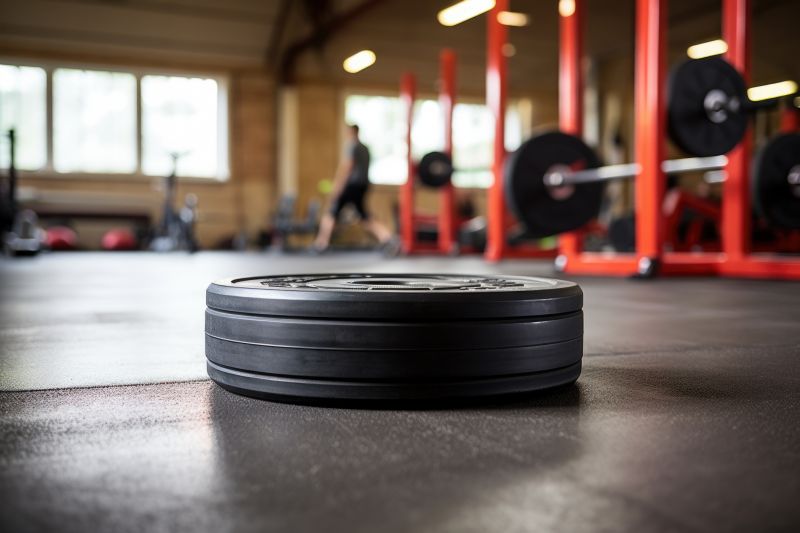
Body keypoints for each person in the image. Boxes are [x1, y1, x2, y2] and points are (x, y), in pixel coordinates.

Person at [313, 124, 395, 252]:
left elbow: (347, 167)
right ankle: (387, 237)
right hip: (363, 185)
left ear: (351, 132)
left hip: (351, 185)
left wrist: (338, 186)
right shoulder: (365, 148)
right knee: (364, 216)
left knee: (331, 213)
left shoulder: (352, 146)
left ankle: (321, 243)